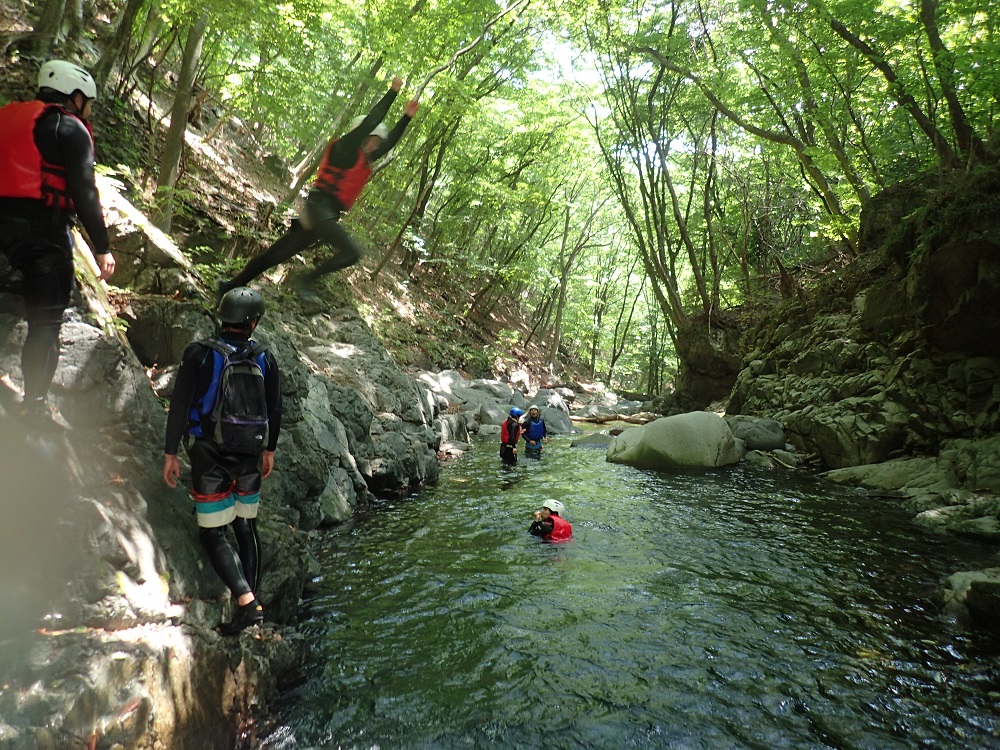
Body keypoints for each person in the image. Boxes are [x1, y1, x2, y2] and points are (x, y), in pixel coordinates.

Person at [217, 76, 420, 305]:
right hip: (318, 208)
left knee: (276, 255)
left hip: (323, 214)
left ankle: (230, 285)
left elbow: (389, 142)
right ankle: (305, 281)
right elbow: (371, 121)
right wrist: (392, 92)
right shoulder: (346, 148)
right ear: (364, 137)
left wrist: (406, 118)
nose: (377, 145)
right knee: (351, 252)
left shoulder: (365, 155)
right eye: (375, 140)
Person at [0, 60, 115, 424]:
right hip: (41, 234)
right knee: (45, 323)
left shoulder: (7, 115)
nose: (88, 109)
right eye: (87, 102)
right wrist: (102, 246)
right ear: (76, 96)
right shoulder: (70, 128)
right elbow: (84, 191)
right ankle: (34, 406)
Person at [162, 287, 282, 635]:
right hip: (250, 453)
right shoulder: (266, 358)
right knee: (245, 526)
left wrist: (171, 452)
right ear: (253, 322)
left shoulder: (199, 353)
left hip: (208, 453)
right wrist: (269, 449)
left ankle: (246, 602)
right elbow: (275, 408)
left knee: (213, 532)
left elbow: (181, 405)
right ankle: (253, 603)